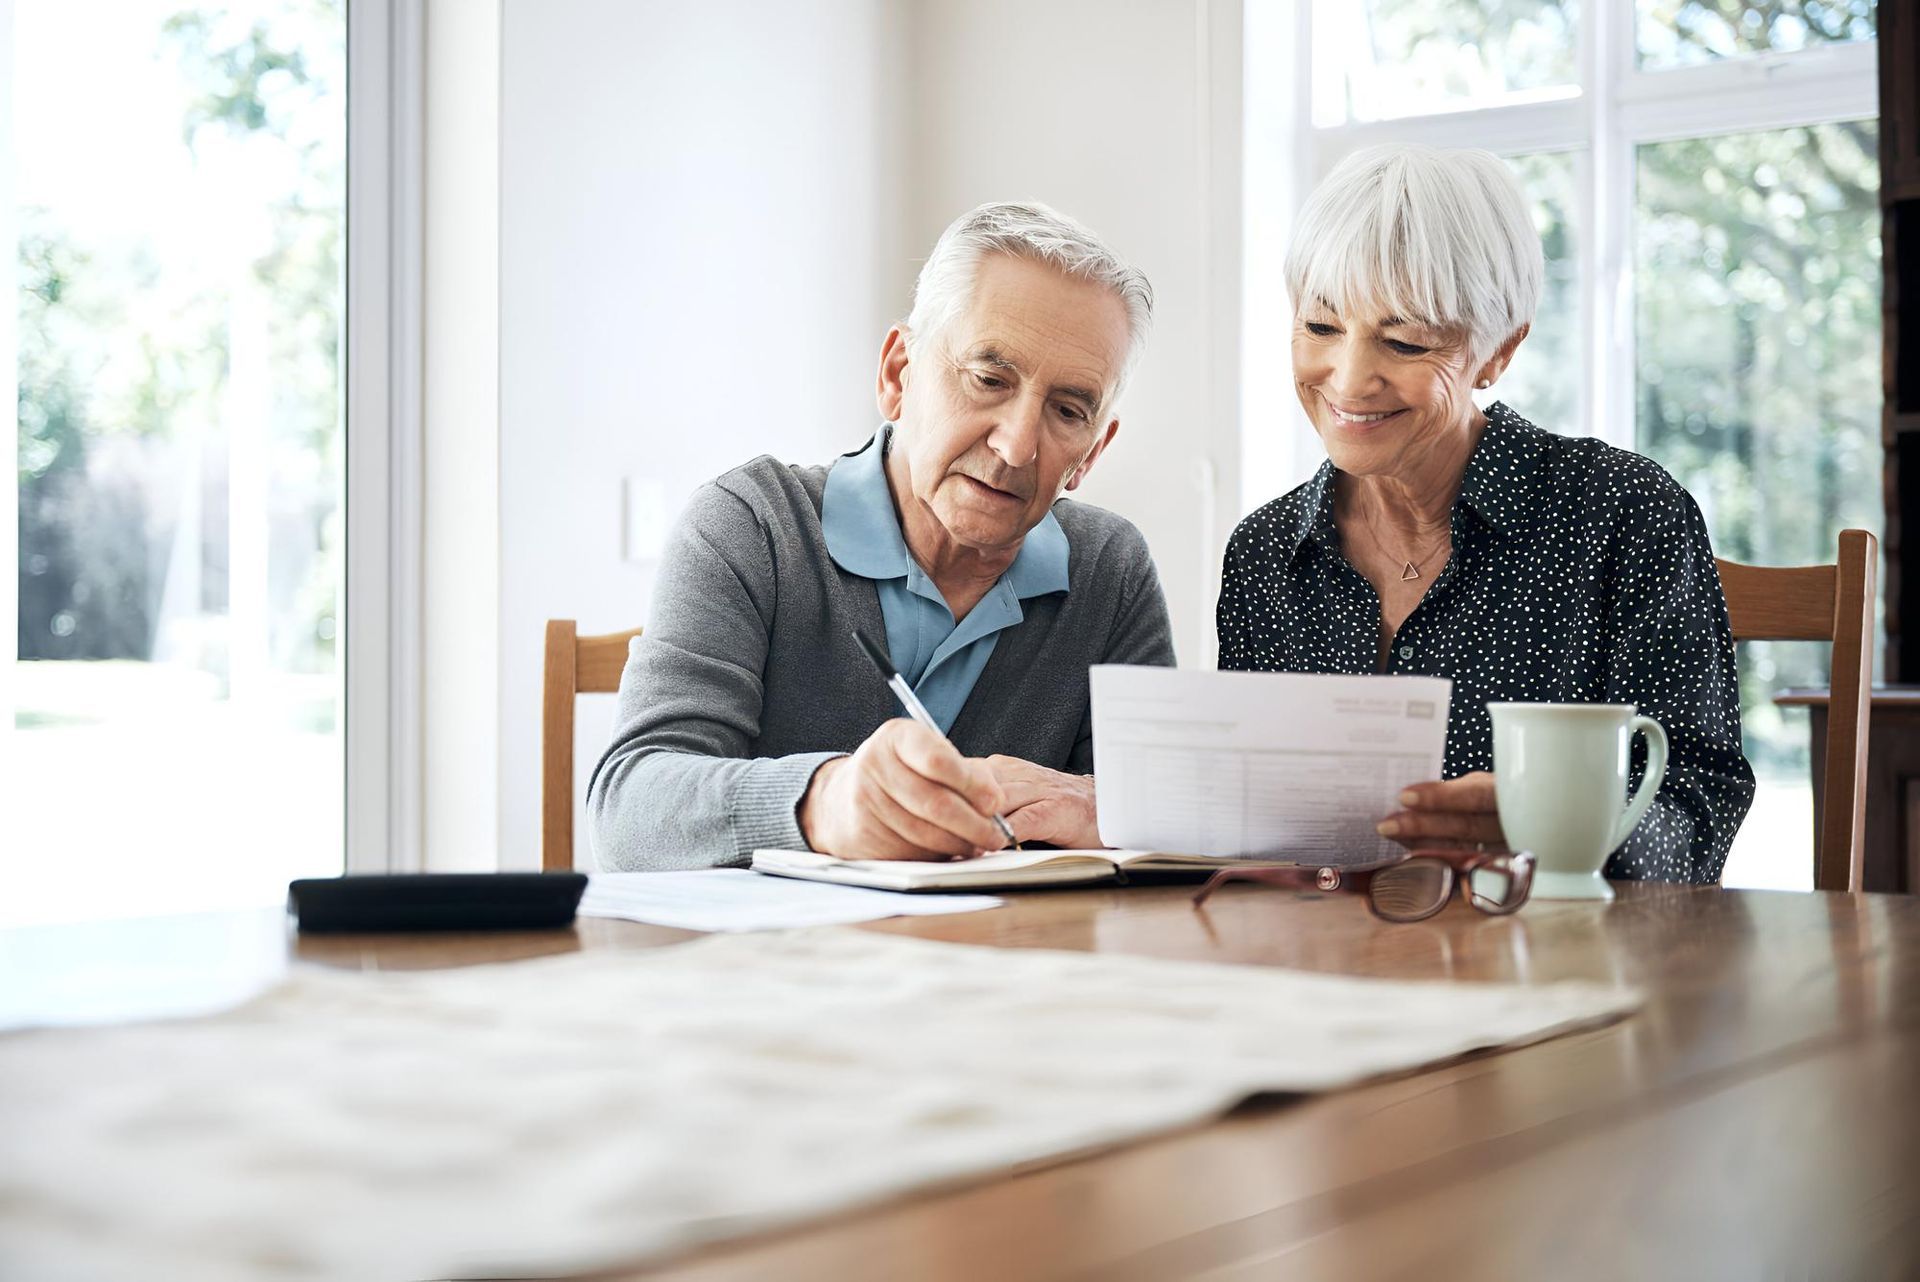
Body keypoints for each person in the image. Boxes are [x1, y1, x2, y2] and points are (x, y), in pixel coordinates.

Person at [1218, 144, 1755, 883]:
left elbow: (1699, 813)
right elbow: (1254, 827)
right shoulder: (1265, 554)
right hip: (1322, 969)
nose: (1347, 378)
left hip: (1554, 966)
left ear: (1498, 351)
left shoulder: (1625, 516)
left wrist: (1561, 825)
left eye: (1404, 341)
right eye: (1319, 327)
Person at [590, 202, 1176, 870]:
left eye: (1068, 411)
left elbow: (1167, 825)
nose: (1016, 446)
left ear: (1092, 453)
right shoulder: (752, 526)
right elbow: (628, 814)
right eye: (988, 379)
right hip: (773, 967)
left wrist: (1113, 809)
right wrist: (825, 804)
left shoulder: (1111, 570)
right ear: (898, 374)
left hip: (1013, 961)